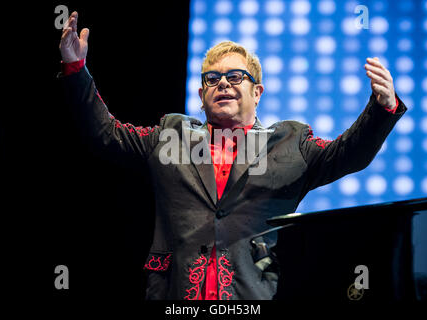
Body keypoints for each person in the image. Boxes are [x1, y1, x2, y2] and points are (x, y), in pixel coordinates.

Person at [59, 11, 407, 300]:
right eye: (212, 78)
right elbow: (105, 135)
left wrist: (381, 108)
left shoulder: (290, 142)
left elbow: (349, 154)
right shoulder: (170, 135)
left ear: (257, 92)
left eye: (235, 76)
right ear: (201, 94)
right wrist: (76, 69)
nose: (223, 83)